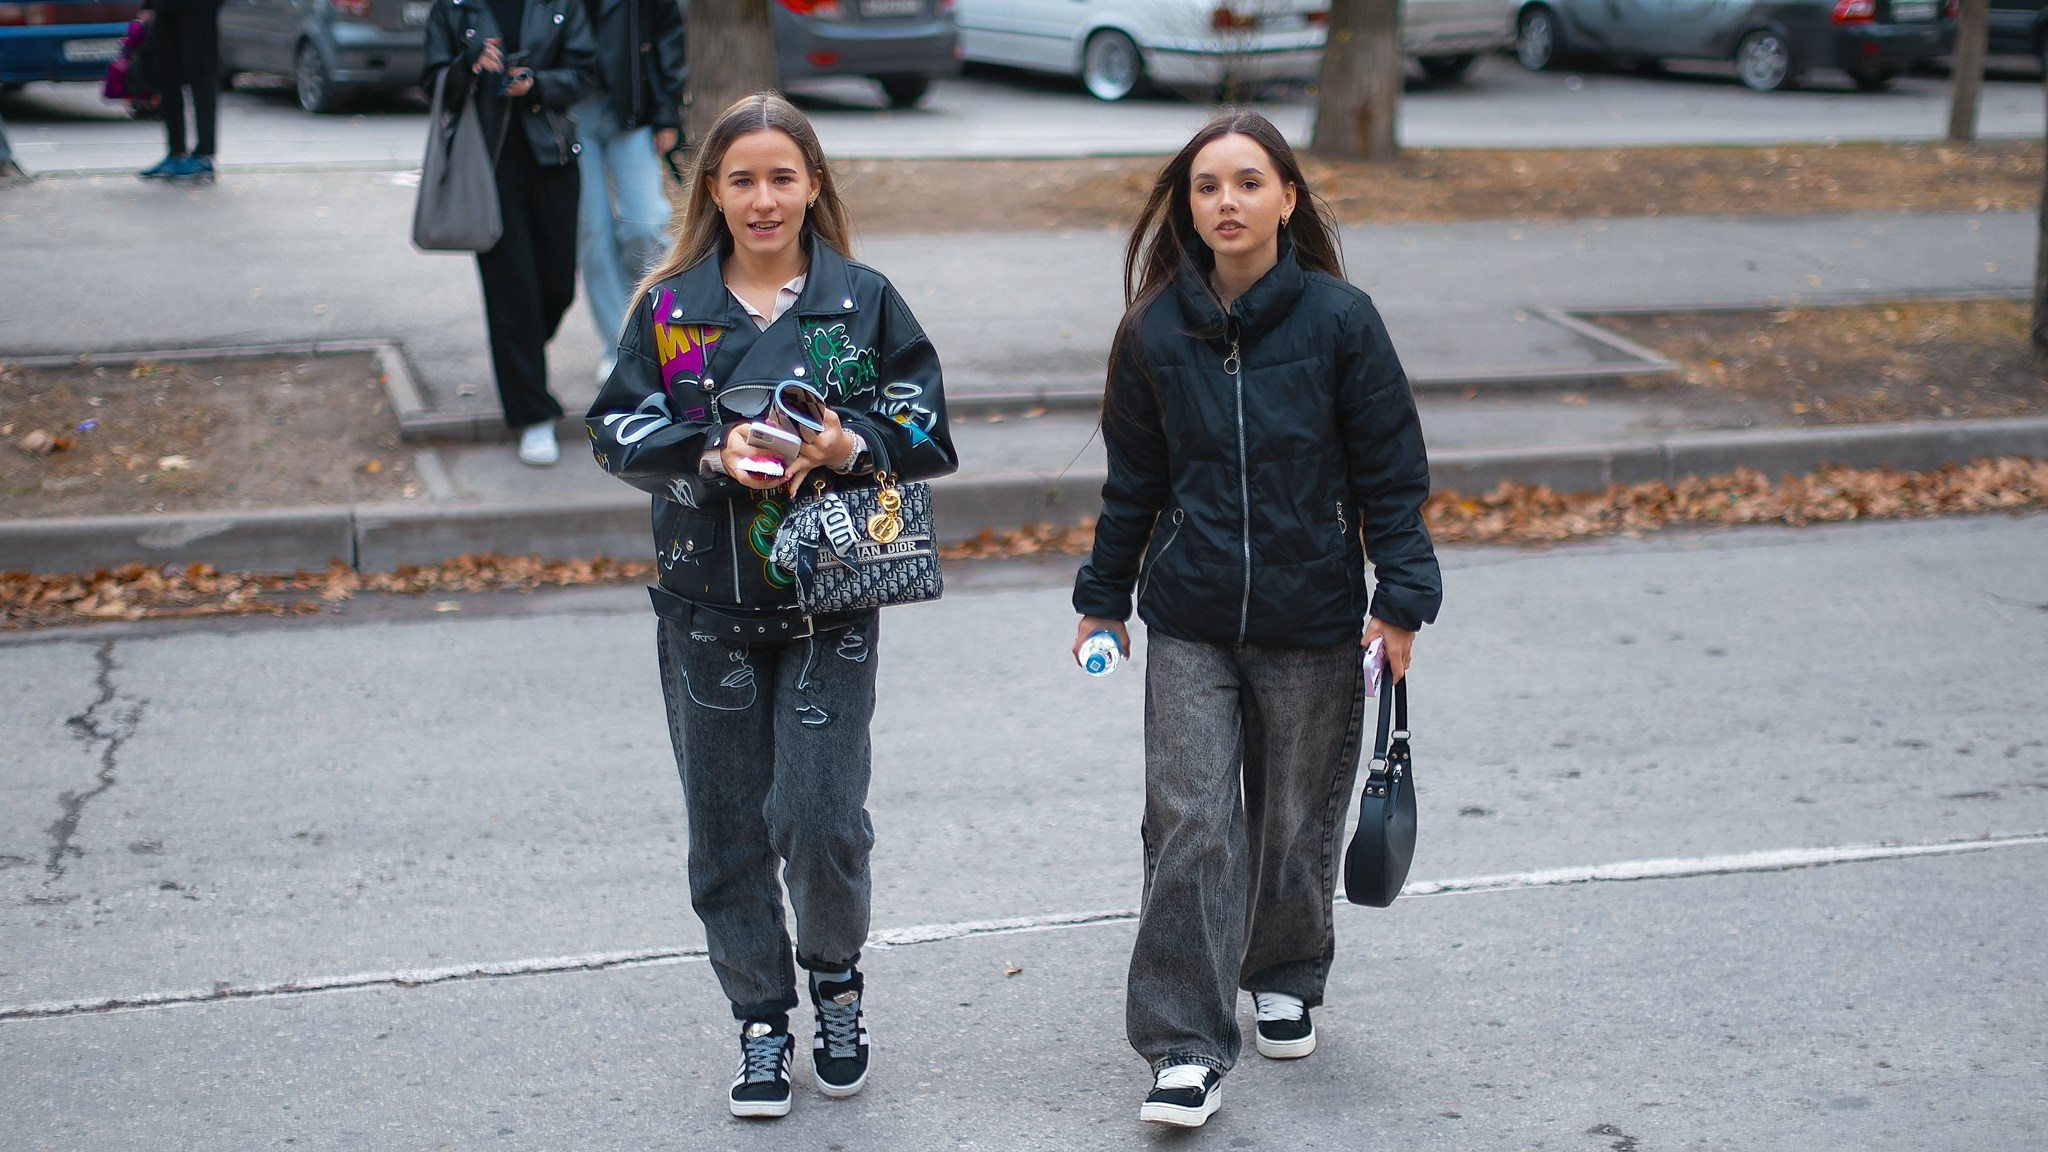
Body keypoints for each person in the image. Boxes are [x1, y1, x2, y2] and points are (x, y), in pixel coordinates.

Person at [1070, 108, 1443, 1129]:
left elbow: (1390, 471)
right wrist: (1102, 600)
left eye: (1245, 182)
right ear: (1184, 208)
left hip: (1311, 613)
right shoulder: (1153, 330)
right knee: (1189, 821)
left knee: (1292, 818)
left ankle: (1283, 964)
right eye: (1204, 186)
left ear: (1285, 198)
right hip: (1189, 618)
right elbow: (1132, 484)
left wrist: (1399, 599)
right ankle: (1182, 1046)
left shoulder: (1338, 320)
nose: (1224, 201)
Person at [586, 92, 956, 1120]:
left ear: (813, 186)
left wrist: (848, 446)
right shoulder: (668, 310)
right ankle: (759, 1015)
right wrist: (706, 456)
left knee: (820, 816)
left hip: (829, 607)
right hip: (704, 609)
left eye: (781, 177)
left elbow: (923, 420)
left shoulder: (862, 300)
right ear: (712, 188)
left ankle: (833, 976)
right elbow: (613, 427)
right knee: (724, 830)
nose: (761, 197)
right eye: (741, 178)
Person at [422, 0, 595, 466]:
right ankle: (531, 414)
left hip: (554, 159)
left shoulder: (561, 5)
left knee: (557, 287)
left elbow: (585, 73)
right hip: (487, 168)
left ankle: (517, 353)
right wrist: (469, 65)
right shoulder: (455, 9)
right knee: (511, 292)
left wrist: (536, 85)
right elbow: (431, 83)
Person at [574, 0, 686, 382]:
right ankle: (617, 345)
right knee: (592, 232)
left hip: (632, 106)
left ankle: (661, 333)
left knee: (645, 223)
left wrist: (667, 111)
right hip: (570, 107)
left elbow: (668, 31)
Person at [135, 0, 223, 183]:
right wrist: (149, 6)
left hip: (199, 10)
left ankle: (204, 155)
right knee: (167, 79)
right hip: (165, 9)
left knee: (202, 77)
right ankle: (176, 153)